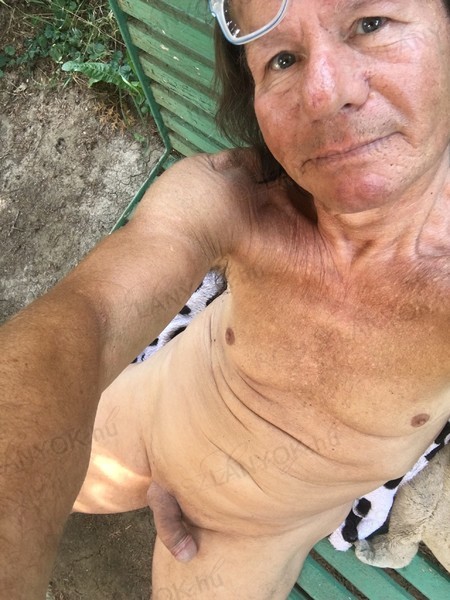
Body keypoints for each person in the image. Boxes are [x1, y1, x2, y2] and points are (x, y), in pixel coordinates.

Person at [1, 0, 449, 597]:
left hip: (251, 528)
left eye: (370, 25)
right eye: (282, 59)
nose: (324, 94)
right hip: (150, 414)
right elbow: (87, 322)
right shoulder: (236, 197)